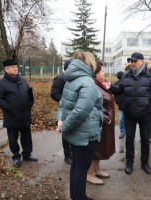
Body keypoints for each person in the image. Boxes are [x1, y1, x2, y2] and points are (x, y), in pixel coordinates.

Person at [56, 51, 103, 200]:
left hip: (76, 133)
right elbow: (80, 112)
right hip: (86, 135)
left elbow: (62, 105)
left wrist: (61, 121)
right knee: (81, 169)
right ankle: (80, 197)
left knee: (76, 167)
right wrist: (63, 126)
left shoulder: (71, 79)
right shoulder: (87, 82)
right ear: (89, 63)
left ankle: (77, 196)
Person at [105, 52, 151, 175]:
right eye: (131, 61)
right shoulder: (126, 75)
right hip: (129, 112)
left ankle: (145, 162)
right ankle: (129, 162)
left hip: (145, 114)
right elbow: (120, 90)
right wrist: (111, 88)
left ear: (142, 61)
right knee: (129, 139)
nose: (132, 63)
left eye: (135, 61)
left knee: (145, 139)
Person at [0, 59, 37, 168]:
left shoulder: (23, 80)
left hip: (25, 114)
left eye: (16, 66)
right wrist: (9, 107)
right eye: (12, 67)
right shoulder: (1, 83)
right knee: (13, 138)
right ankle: (16, 157)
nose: (15, 68)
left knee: (27, 137)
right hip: (12, 116)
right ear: (6, 69)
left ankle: (27, 154)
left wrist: (30, 103)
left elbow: (29, 93)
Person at [87, 60, 115, 185]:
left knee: (102, 147)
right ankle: (89, 174)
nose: (104, 73)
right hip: (100, 121)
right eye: (102, 71)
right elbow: (93, 105)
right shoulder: (92, 84)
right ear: (96, 73)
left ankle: (97, 169)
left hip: (104, 122)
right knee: (96, 149)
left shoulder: (99, 83)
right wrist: (105, 116)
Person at [51, 59, 73, 165]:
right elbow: (54, 93)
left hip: (72, 109)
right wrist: (64, 101)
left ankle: (73, 153)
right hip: (64, 108)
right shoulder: (59, 79)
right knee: (65, 132)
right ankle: (67, 155)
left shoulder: (71, 78)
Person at [113, 71, 126, 139]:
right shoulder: (116, 84)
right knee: (121, 119)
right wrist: (117, 101)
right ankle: (122, 132)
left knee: (127, 120)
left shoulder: (127, 83)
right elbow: (115, 94)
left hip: (127, 105)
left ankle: (127, 132)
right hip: (121, 105)